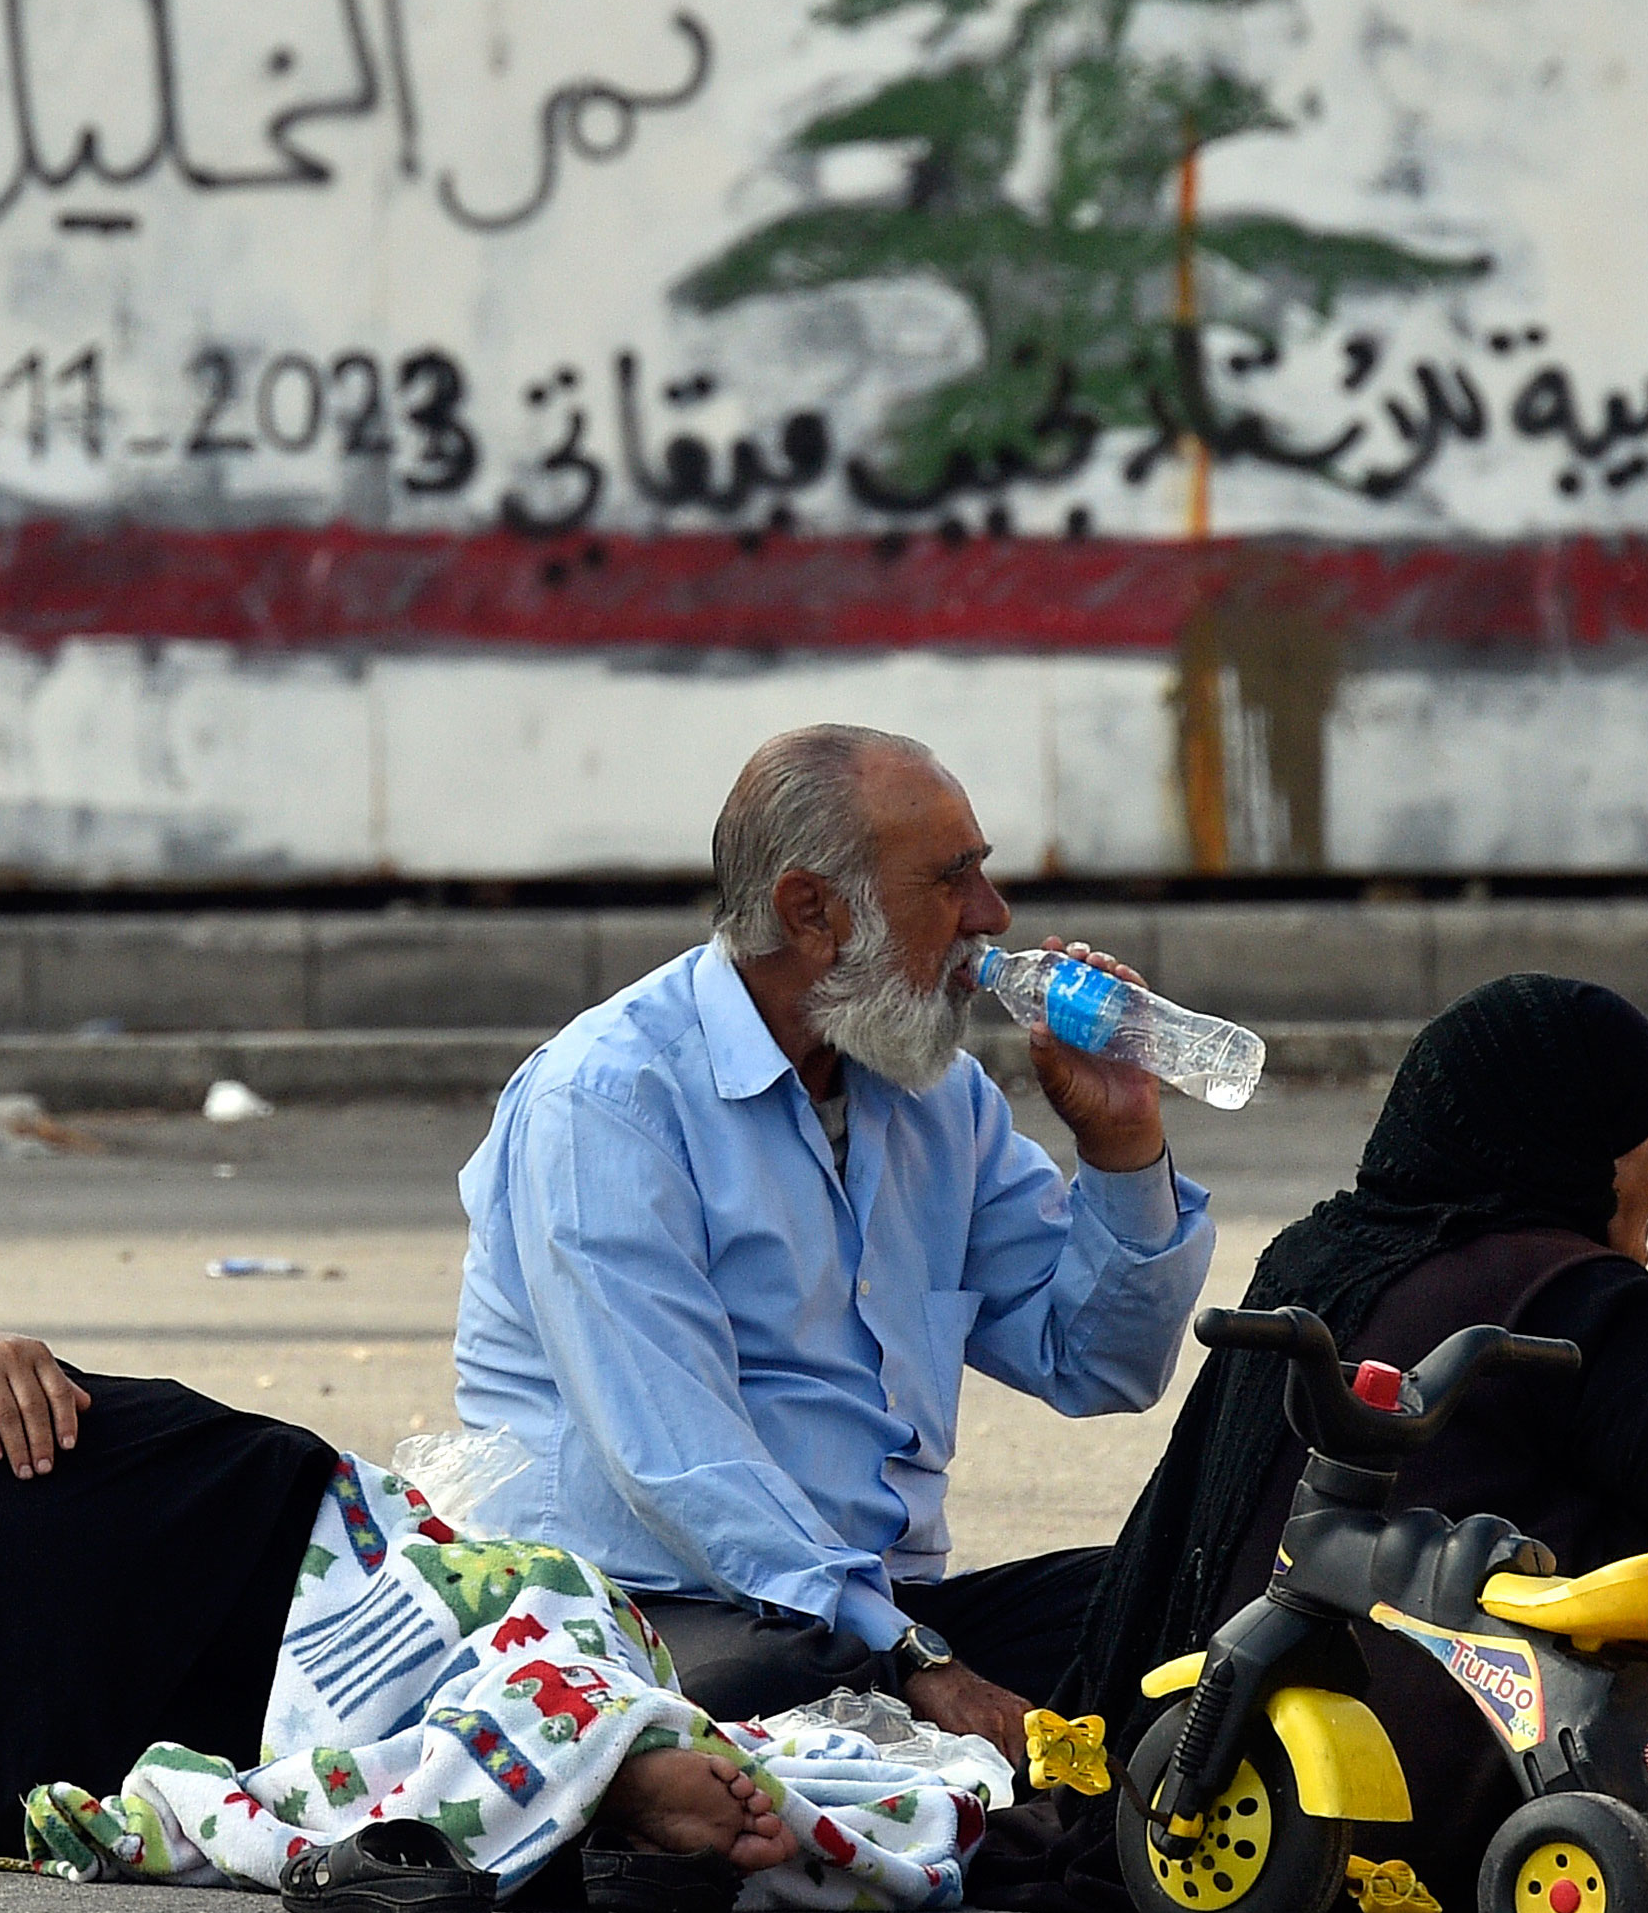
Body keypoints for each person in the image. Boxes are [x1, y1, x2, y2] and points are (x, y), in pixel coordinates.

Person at [0, 1311, 1009, 1913]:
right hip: (191, 1552)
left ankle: (580, 1780)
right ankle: (599, 1757)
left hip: (121, 1692)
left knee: (361, 1758)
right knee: (479, 1633)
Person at [1065, 974, 1648, 1913]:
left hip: (1272, 1815)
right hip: (1522, 1817)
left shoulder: (1316, 1259)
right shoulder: (1573, 1292)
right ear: (1580, 1136)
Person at [450, 724, 1218, 1758]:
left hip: (873, 1611)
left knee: (1187, 1616)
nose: (990, 921)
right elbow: (678, 1463)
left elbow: (1101, 1365)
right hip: (648, 1604)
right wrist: (911, 1653)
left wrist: (1121, 1144)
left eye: (982, 876)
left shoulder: (938, 1098)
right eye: (951, 882)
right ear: (812, 911)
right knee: (795, 1676)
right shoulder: (607, 1100)